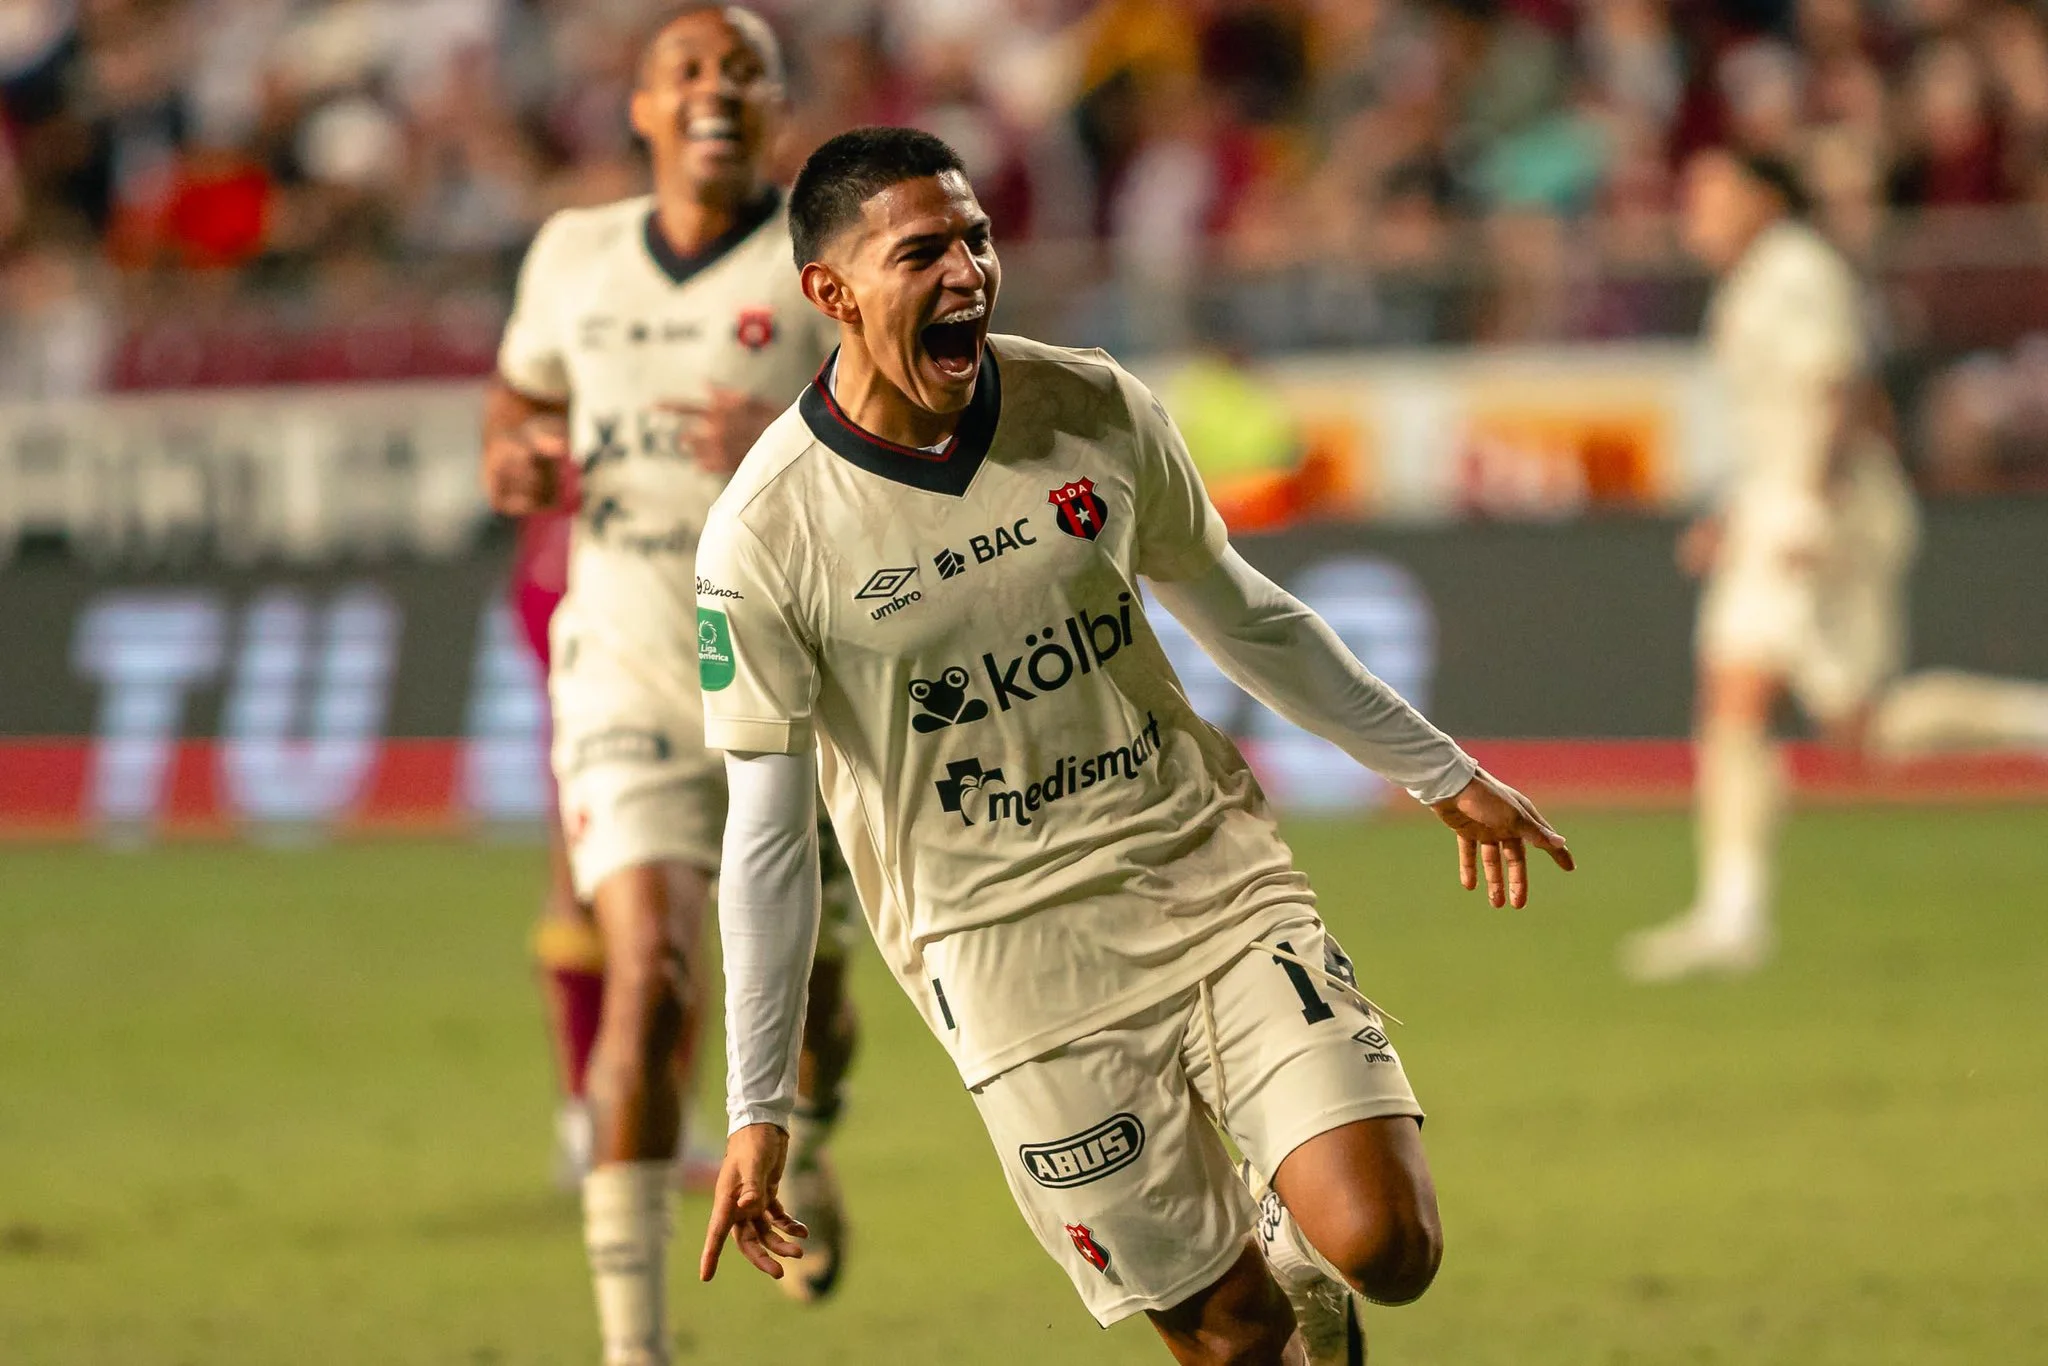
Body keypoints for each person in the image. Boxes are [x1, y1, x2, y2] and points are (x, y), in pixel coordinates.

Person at [692, 127, 1574, 1366]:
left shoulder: (1092, 406)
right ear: (830, 293)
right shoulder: (764, 534)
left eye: (976, 239)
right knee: (1234, 1342)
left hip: (1203, 875)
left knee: (1387, 1241)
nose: (967, 272)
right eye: (923, 252)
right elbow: (768, 838)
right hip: (1005, 958)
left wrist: (1437, 769)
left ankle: (1294, 1240)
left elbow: (1244, 614)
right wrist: (757, 1104)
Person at [480, 8, 860, 1360]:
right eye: (685, 69)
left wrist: (801, 432)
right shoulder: (573, 254)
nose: (714, 88)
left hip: (797, 679)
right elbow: (518, 401)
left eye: (741, 69)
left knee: (810, 1007)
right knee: (652, 968)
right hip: (628, 665)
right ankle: (633, 1342)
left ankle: (807, 1135)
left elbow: (931, 431)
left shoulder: (830, 257)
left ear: (776, 106)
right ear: (642, 108)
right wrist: (515, 456)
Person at [1622, 148, 2048, 983]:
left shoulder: (1795, 271)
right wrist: (1737, 512)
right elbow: (1778, 420)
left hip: (1826, 513)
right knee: (1786, 710)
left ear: (1765, 198)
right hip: (1782, 509)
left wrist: (1810, 508)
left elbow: (1842, 390)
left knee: (1796, 710)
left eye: (1712, 193)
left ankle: (1734, 914)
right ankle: (1731, 912)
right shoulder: (1752, 283)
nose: (1694, 211)